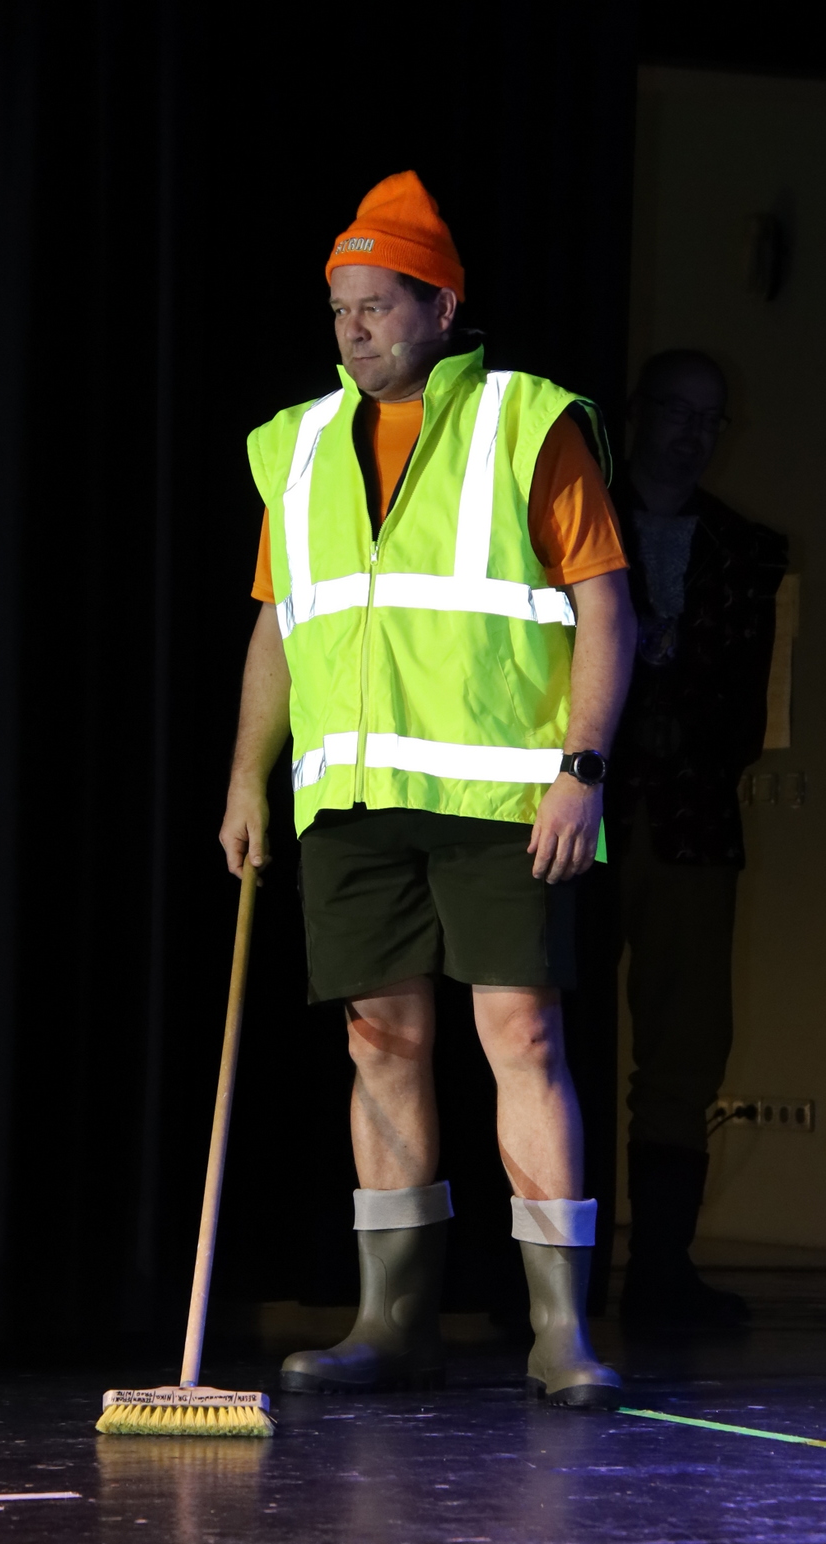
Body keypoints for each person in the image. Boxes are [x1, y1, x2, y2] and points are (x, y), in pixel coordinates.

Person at [220, 172, 637, 1407]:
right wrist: (246, 776)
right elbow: (279, 624)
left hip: (503, 798)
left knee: (521, 1036)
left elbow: (606, 608)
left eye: (376, 305)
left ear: (440, 306)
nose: (351, 329)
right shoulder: (297, 445)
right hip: (351, 797)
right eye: (338, 308)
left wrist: (580, 768)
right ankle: (391, 1319)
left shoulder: (522, 420)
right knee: (379, 1040)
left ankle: (558, 1330)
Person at [606, 350, 788, 1328]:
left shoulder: (743, 550)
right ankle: (548, 1274)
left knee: (683, 1048)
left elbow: (749, 701)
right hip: (583, 816)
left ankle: (660, 1268)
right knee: (557, 1035)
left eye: (708, 418)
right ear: (639, 412)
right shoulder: (580, 520)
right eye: (676, 411)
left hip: (690, 822)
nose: (690, 433)